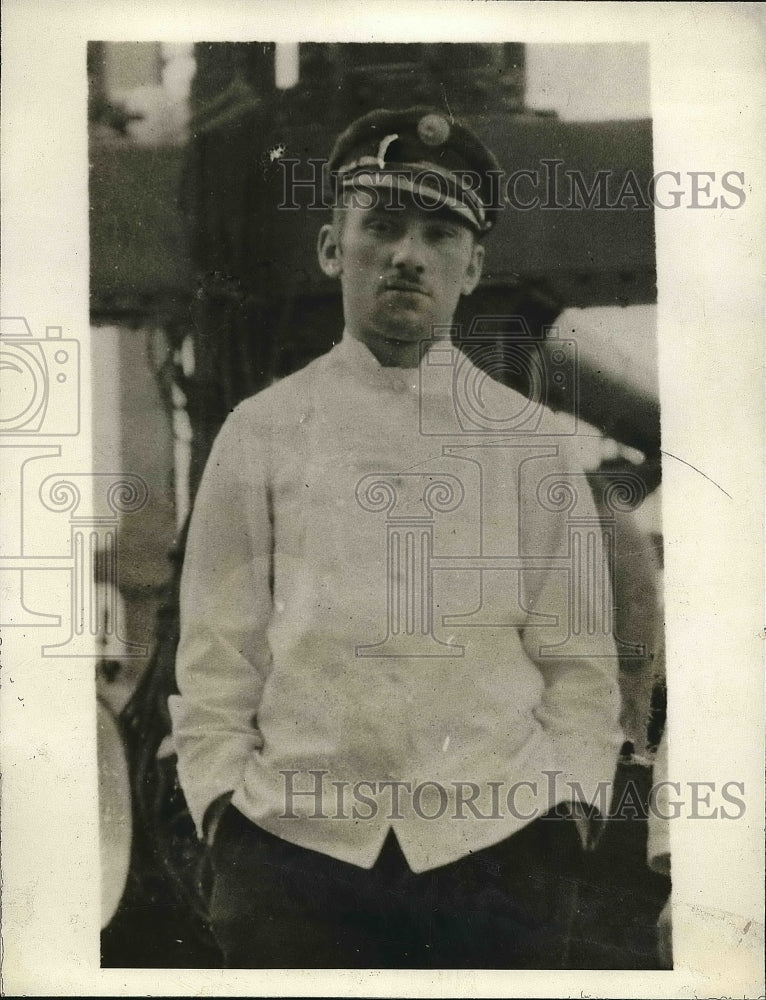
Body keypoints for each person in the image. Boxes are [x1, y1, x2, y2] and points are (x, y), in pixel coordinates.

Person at [169, 107, 623, 969]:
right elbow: (216, 653)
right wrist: (222, 807)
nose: (408, 254)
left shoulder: (530, 442)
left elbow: (579, 658)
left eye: (440, 233)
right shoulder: (260, 430)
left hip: (496, 852)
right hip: (295, 855)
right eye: (380, 226)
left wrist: (571, 804)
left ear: (473, 266)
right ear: (332, 248)